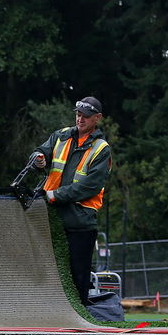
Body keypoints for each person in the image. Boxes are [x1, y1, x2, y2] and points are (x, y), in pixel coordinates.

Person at [29, 96, 112, 305]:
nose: (80, 119)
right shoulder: (61, 135)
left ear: (97, 118)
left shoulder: (102, 149)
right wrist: (38, 158)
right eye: (78, 114)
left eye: (85, 116)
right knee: (49, 270)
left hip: (80, 220)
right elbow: (41, 152)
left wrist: (56, 195)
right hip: (52, 216)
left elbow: (90, 186)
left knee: (78, 274)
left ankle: (81, 317)